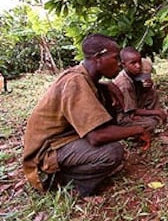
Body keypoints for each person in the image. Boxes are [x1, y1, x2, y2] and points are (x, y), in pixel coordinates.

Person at [23, 34, 150, 197]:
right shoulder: (76, 82)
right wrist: (137, 130)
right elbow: (96, 136)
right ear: (98, 58)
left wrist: (105, 86)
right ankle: (67, 183)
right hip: (45, 156)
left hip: (61, 142)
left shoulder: (85, 77)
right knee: (113, 152)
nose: (119, 63)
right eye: (115, 58)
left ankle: (74, 171)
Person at [113, 46, 166, 134]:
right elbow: (132, 110)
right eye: (133, 63)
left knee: (151, 92)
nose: (138, 66)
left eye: (139, 62)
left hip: (133, 104)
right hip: (123, 115)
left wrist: (148, 86)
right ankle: (133, 132)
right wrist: (157, 112)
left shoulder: (135, 72)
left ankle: (150, 117)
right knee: (151, 124)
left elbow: (141, 90)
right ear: (123, 65)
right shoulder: (124, 84)